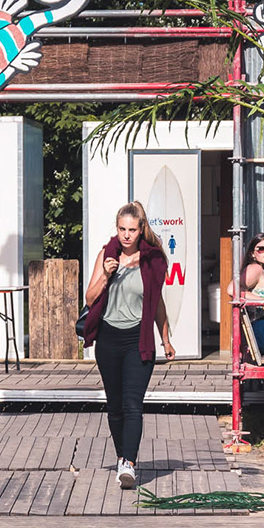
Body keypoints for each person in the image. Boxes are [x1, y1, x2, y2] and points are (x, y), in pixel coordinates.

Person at [80, 201, 176, 490]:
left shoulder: (152, 260)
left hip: (138, 339)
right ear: (117, 228)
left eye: (132, 230)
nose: (126, 235)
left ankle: (130, 464)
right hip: (108, 339)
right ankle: (122, 457)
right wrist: (106, 275)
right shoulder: (106, 255)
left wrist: (166, 339)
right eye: (122, 229)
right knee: (115, 405)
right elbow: (89, 299)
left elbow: (156, 302)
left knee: (133, 403)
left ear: (140, 229)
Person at [231, 233, 264, 355]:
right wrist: (263, 303)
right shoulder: (256, 268)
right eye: (261, 249)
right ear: (252, 253)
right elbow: (232, 289)